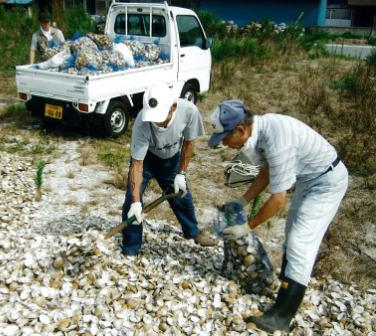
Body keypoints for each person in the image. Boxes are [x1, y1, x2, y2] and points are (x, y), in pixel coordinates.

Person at [208, 100, 348, 332]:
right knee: (291, 236)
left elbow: (278, 200)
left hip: (327, 182)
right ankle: (287, 287)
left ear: (240, 130)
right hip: (309, 179)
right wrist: (243, 201)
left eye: (224, 138)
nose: (223, 143)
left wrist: (247, 227)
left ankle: (282, 316)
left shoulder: (276, 138)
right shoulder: (262, 132)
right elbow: (267, 172)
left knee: (300, 243)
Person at [121, 84, 217, 256]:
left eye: (160, 117)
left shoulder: (189, 111)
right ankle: (131, 246)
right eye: (154, 118)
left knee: (181, 195)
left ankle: (193, 231)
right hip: (147, 159)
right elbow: (137, 165)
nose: (156, 122)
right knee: (131, 201)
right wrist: (136, 203)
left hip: (171, 159)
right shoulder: (142, 122)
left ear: (173, 107)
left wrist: (181, 173)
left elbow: (189, 143)